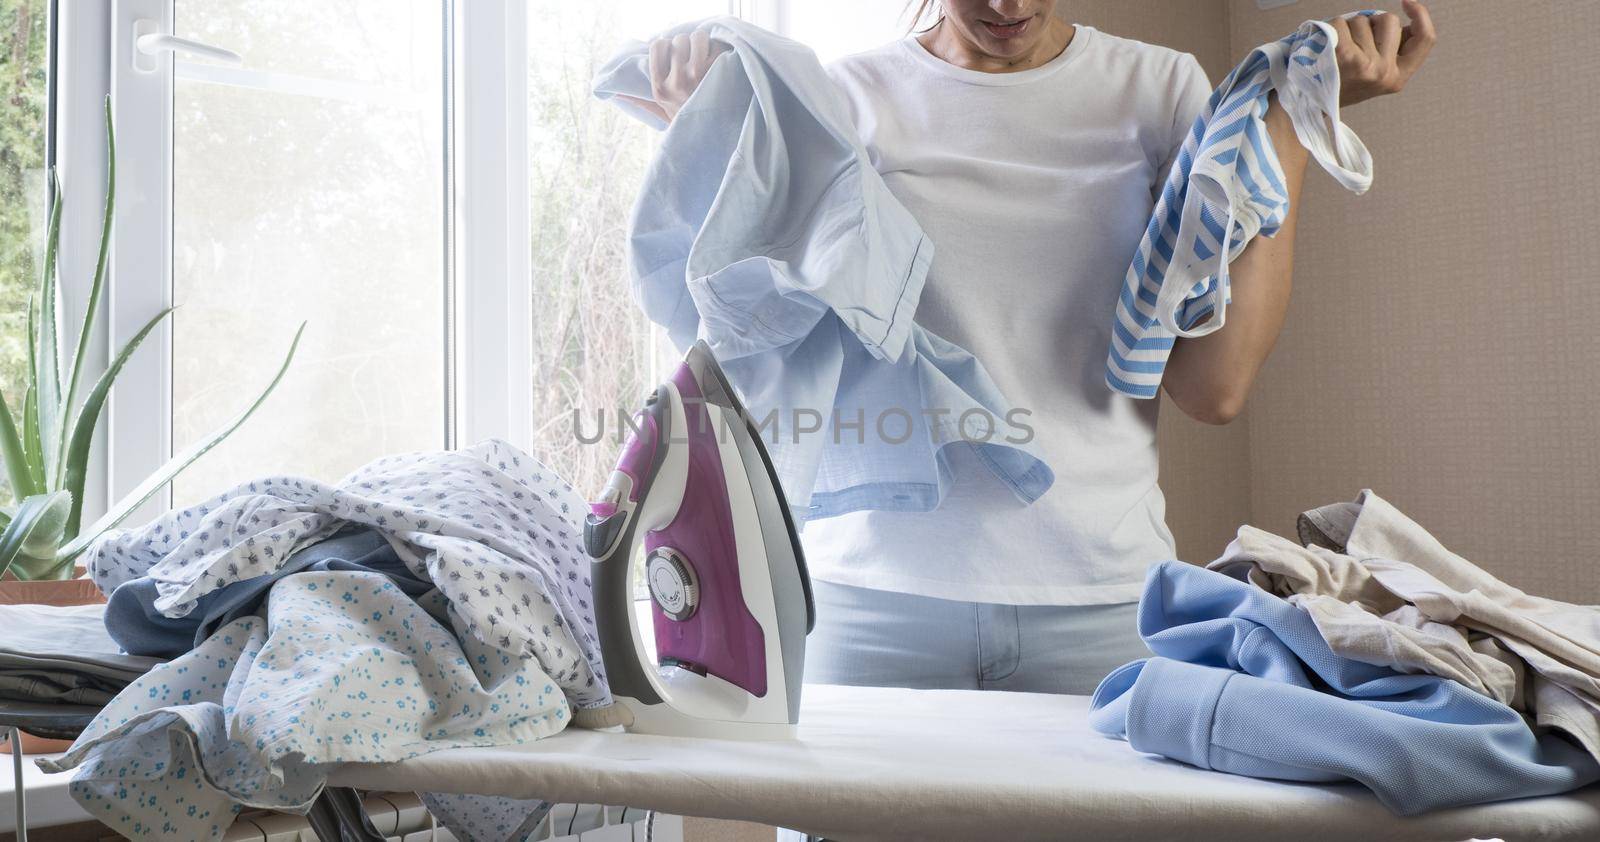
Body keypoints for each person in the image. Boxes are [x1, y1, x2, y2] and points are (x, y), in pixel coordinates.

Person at [636, 1, 1436, 694]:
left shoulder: (1157, 92)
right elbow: (761, 346)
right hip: (875, 603)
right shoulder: (841, 100)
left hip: (1102, 605)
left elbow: (1214, 388)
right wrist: (709, 152)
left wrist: (1291, 123)